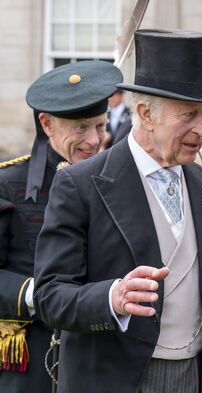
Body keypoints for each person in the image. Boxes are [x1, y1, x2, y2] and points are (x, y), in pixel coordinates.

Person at [33, 30, 202, 393]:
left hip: (192, 377)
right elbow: (50, 296)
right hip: (110, 379)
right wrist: (111, 297)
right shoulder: (80, 186)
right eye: (189, 114)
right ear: (145, 113)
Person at [0, 60, 122, 393]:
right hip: (31, 364)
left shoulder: (117, 182)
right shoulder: (7, 185)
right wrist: (37, 294)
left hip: (100, 360)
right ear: (47, 124)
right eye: (81, 127)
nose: (95, 140)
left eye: (100, 126)